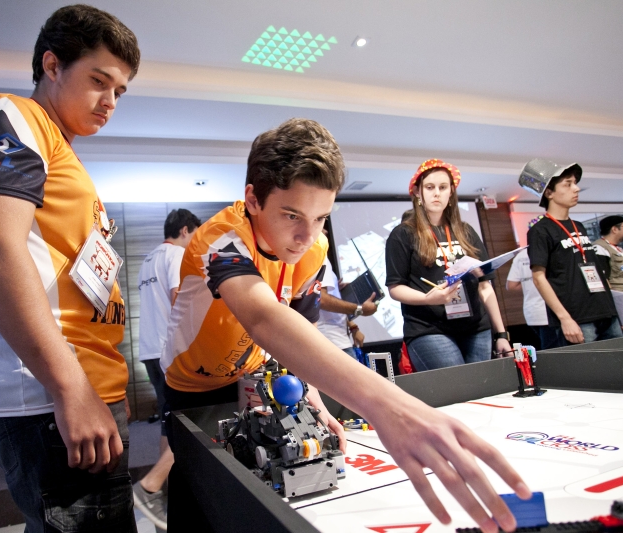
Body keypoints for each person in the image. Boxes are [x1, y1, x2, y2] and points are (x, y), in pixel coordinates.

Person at [161, 122, 530, 533]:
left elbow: (296, 321)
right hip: (192, 381)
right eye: (291, 215)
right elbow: (263, 316)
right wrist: (388, 404)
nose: (307, 235)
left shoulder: (315, 247)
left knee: (250, 472)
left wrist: (310, 391)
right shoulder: (221, 237)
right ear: (252, 198)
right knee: (195, 476)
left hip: (251, 368)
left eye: (321, 217)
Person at [0, 6, 141, 531]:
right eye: (99, 81)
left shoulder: (64, 154)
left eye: (120, 91)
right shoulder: (11, 115)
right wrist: (71, 388)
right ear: (52, 65)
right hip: (43, 387)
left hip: (74, 377)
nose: (109, 102)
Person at [385, 159, 513, 372]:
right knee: (461, 390)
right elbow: (395, 288)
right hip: (430, 329)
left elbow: (485, 286)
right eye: (430, 187)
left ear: (451, 193)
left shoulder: (466, 231)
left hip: (476, 328)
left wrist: (501, 334)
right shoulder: (403, 234)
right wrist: (428, 298)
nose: (437, 193)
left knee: (483, 392)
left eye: (443, 187)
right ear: (418, 192)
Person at [133, 208, 201, 528]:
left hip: (149, 349)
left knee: (168, 420)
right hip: (169, 351)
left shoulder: (148, 259)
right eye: (195, 236)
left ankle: (165, 492)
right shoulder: (176, 255)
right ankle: (151, 485)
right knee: (192, 421)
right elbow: (180, 299)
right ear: (185, 230)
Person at [519, 159, 621, 349]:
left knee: (621, 370)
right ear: (549, 192)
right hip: (577, 318)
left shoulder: (579, 226)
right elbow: (539, 278)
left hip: (605, 312)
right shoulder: (540, 230)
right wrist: (565, 318)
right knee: (588, 374)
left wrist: (615, 310)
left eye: (575, 183)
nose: (576, 189)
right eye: (568, 184)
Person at [317, 253, 378, 357]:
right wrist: (360, 309)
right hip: (332, 341)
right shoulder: (317, 254)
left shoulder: (319, 254)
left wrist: (336, 290)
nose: (326, 235)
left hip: (336, 339)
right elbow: (321, 299)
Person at [506, 218, 549, 344]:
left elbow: (511, 285)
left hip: (532, 312)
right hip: (551, 312)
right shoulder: (550, 251)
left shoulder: (521, 255)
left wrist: (530, 283)